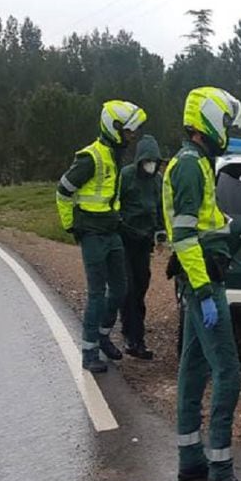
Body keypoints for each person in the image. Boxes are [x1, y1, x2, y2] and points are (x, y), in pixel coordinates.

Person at [163, 87, 241, 481]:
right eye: (225, 122)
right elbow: (183, 236)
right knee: (228, 373)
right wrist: (204, 291)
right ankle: (220, 466)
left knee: (193, 369)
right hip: (203, 283)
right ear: (209, 121)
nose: (226, 131)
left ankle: (190, 458)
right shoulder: (190, 167)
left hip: (200, 279)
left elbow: (197, 225)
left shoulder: (193, 162)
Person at [57, 100, 147, 374]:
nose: (133, 137)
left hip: (111, 232)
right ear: (115, 128)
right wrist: (71, 226)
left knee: (121, 288)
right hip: (93, 234)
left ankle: (103, 334)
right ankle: (88, 351)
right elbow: (63, 191)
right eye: (130, 131)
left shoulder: (115, 156)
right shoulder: (91, 157)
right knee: (97, 294)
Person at [118, 134, 163, 360]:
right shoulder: (125, 176)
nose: (150, 165)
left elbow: (161, 208)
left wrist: (161, 232)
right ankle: (129, 336)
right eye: (147, 160)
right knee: (127, 289)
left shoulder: (157, 181)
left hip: (144, 243)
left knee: (141, 289)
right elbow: (115, 204)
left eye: (154, 161)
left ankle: (139, 339)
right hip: (125, 240)